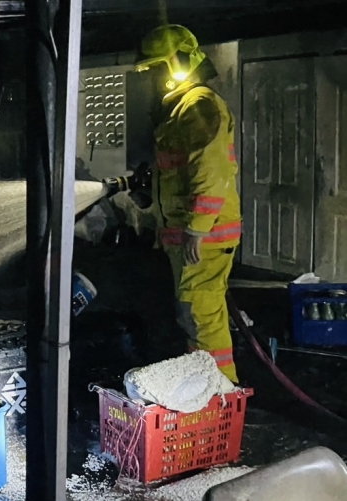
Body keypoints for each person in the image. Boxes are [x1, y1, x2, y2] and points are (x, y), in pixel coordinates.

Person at [131, 24, 242, 383]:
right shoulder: (180, 106)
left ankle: (220, 395)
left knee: (200, 315)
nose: (152, 77)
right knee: (196, 314)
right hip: (192, 235)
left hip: (204, 237)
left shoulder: (198, 105)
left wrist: (197, 227)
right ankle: (206, 387)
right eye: (148, 70)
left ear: (179, 61)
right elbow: (179, 172)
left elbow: (211, 169)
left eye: (156, 67)